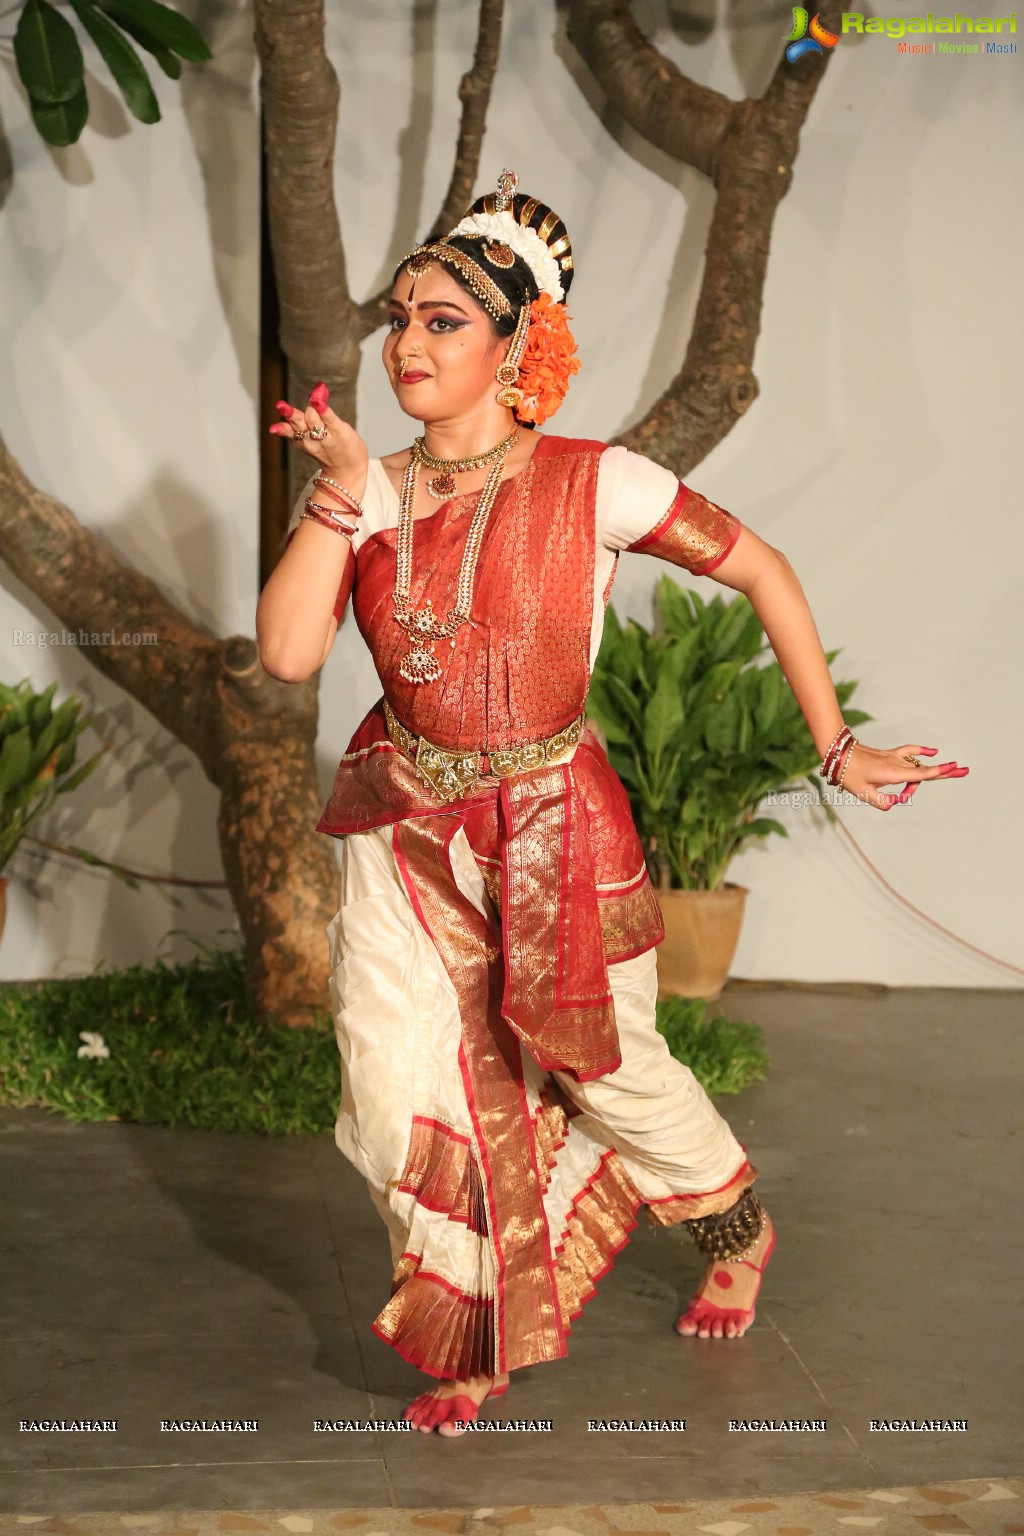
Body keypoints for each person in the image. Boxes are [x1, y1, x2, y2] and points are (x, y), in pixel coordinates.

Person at [255, 171, 968, 1439]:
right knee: (395, 1078)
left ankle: (736, 1228)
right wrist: (337, 490)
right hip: (404, 824)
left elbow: (763, 568)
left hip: (552, 830)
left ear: (518, 346)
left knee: (610, 1074)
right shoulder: (367, 487)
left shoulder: (600, 483)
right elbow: (291, 655)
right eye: (402, 320)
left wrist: (837, 742)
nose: (409, 344)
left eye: (444, 323)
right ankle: (469, 1339)